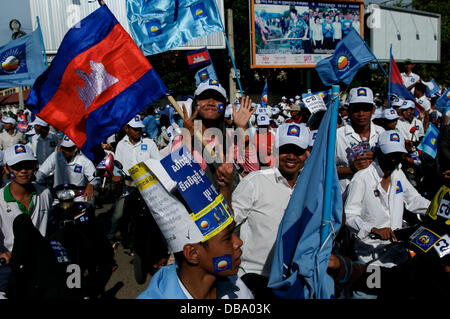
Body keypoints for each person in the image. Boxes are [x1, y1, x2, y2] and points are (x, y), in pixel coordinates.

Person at [231, 123, 310, 298]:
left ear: (306, 153)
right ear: (276, 149)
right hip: (255, 279)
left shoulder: (312, 189)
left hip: (294, 281)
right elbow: (229, 222)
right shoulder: (255, 182)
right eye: (286, 149)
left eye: (297, 150)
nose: (291, 156)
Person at [345, 130, 430, 269]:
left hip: (397, 253)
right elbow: (349, 215)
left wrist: (439, 209)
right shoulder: (362, 178)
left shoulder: (398, 174)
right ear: (378, 151)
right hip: (370, 256)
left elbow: (414, 200)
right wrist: (372, 229)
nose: (393, 159)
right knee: (372, 290)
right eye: (390, 154)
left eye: (397, 155)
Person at [0, 144, 52, 294]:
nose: (23, 170)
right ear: (7, 169)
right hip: (10, 266)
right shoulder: (0, 199)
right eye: (17, 166)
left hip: (42, 261)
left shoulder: (44, 194)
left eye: (28, 165)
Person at [107, 115, 160, 242]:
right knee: (117, 215)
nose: (138, 131)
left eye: (139, 129)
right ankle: (110, 237)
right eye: (135, 129)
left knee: (156, 216)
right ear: (126, 129)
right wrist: (116, 175)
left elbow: (157, 163)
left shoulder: (149, 143)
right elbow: (117, 166)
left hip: (147, 187)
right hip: (127, 187)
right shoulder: (121, 145)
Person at [335, 87, 385, 195]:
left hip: (375, 197)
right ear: (349, 110)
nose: (361, 114)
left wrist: (377, 158)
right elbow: (323, 169)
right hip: (344, 197)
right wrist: (351, 169)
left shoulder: (381, 133)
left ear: (373, 109)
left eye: (366, 108)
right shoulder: (337, 136)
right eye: (356, 109)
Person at [35, 136, 99, 204]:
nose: (66, 151)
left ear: (75, 148)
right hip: (58, 196)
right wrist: (35, 184)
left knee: (89, 203)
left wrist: (91, 184)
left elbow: (95, 178)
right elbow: (41, 173)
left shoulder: (84, 160)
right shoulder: (55, 156)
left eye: (69, 149)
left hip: (78, 197)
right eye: (64, 148)